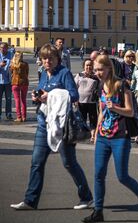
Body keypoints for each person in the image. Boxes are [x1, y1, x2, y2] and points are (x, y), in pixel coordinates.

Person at [11, 43, 93, 210]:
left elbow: (73, 95)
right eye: (44, 58)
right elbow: (43, 94)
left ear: (57, 59)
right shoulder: (43, 74)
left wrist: (52, 95)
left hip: (62, 126)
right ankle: (30, 201)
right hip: (44, 122)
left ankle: (86, 197)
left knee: (69, 163)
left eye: (51, 58)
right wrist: (38, 97)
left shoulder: (64, 73)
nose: (47, 61)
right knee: (36, 162)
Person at [82, 55, 138, 223]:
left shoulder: (122, 86)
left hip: (120, 136)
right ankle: (98, 211)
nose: (98, 73)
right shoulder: (100, 86)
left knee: (122, 176)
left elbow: (130, 111)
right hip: (103, 136)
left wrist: (114, 107)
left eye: (101, 69)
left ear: (109, 68)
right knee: (99, 174)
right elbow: (101, 111)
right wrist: (96, 129)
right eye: (96, 69)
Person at [75, 59, 101, 141]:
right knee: (82, 118)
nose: (88, 67)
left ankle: (93, 135)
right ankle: (83, 133)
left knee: (93, 119)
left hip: (92, 101)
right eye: (87, 65)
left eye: (90, 65)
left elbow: (101, 87)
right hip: (80, 101)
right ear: (84, 66)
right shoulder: (79, 75)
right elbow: (75, 87)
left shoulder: (96, 76)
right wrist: (74, 99)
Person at [10, 51, 29, 122]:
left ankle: (19, 117)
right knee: (23, 100)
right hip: (24, 83)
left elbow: (11, 73)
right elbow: (27, 73)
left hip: (15, 83)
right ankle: (24, 117)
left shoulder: (13, 65)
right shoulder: (25, 64)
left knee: (17, 100)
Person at [0, 42, 13, 120]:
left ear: (7, 48)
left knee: (8, 99)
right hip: (0, 81)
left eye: (4, 47)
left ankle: (9, 114)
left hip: (8, 81)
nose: (2, 49)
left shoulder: (10, 55)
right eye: (1, 47)